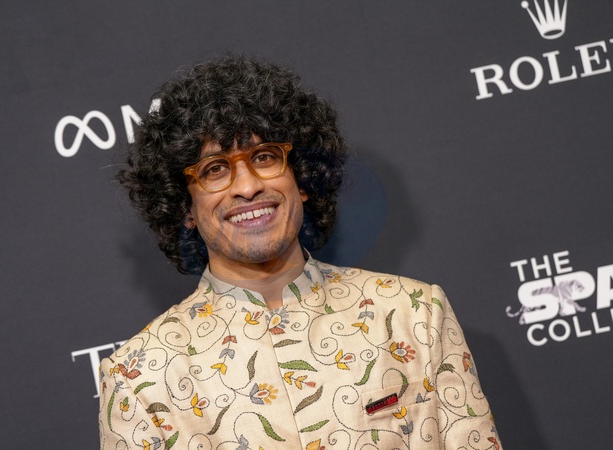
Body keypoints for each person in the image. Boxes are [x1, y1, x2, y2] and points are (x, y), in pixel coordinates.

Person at [99, 56, 502, 450]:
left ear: (303, 179)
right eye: (214, 169)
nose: (247, 187)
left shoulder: (415, 313)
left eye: (264, 157)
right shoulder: (139, 378)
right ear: (185, 207)